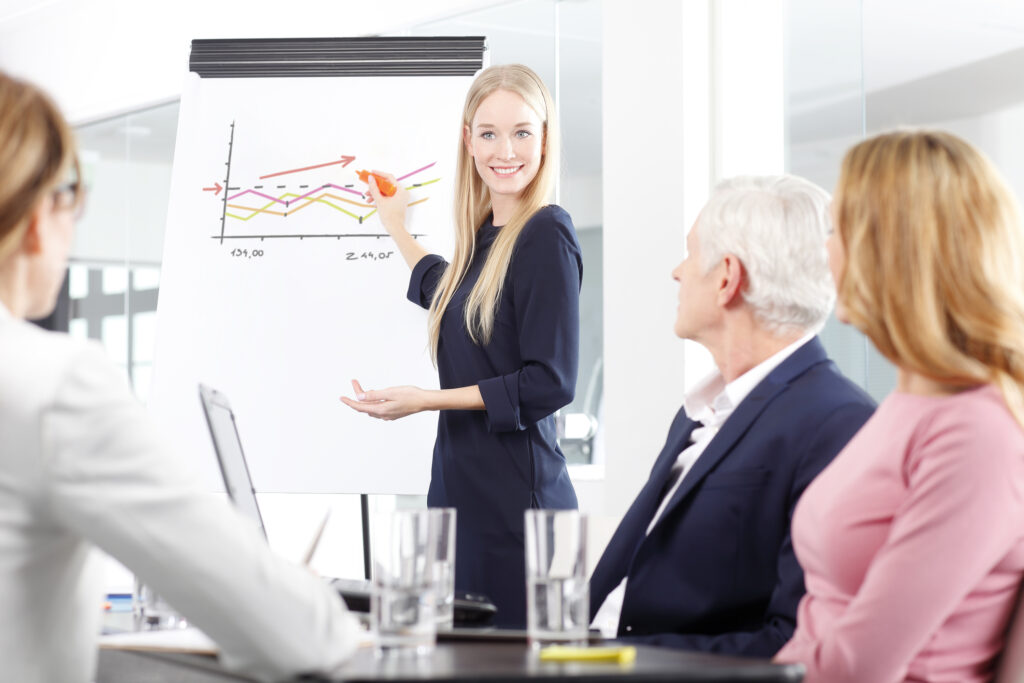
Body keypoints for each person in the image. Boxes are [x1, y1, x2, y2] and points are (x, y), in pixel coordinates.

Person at [0, 72, 361, 683]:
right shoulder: (51, 383)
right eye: (73, 195)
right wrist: (296, 596)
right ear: (40, 211)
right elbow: (300, 637)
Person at [588, 175, 875, 656]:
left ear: (726, 277)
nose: (677, 272)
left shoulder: (839, 424)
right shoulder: (699, 413)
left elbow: (794, 643)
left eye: (690, 254)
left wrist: (611, 662)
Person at [774, 131, 1024, 681]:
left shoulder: (976, 432)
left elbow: (859, 665)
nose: (827, 251)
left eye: (836, 231)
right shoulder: (908, 402)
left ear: (888, 250)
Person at [340, 64, 580, 628]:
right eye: (489, 132)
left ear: (544, 139)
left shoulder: (547, 232)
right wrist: (395, 226)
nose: (506, 150)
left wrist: (427, 399)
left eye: (523, 131)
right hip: (462, 497)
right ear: (468, 140)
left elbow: (551, 381)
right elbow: (447, 292)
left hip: (517, 511)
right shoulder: (484, 240)